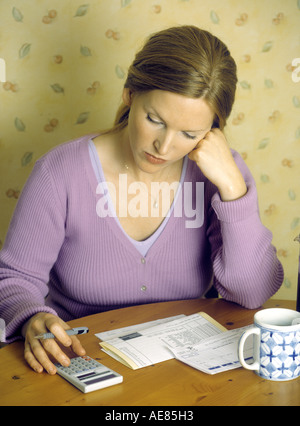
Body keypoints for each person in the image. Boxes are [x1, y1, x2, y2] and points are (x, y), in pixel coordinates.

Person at [0, 26, 283, 375]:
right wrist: (31, 316)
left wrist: (233, 189)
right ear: (130, 95)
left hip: (184, 370)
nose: (164, 148)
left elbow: (252, 292)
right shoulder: (59, 172)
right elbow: (14, 278)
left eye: (189, 134)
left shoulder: (220, 175)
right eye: (154, 120)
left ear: (213, 129)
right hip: (80, 359)